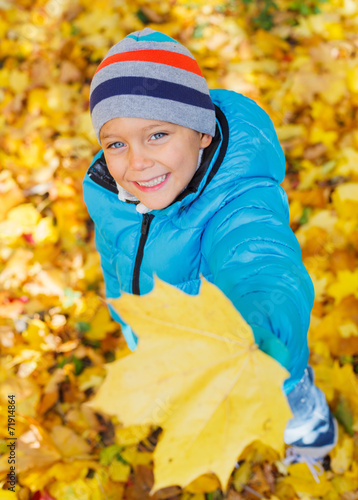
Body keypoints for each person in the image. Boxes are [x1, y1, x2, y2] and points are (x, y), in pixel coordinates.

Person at [83, 28, 337, 460]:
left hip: (254, 347)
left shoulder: (236, 196)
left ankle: (307, 419)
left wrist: (261, 327)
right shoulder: (110, 191)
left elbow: (258, 258)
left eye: (157, 135)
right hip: (169, 335)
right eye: (117, 143)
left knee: (284, 394)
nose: (137, 161)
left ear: (201, 133)